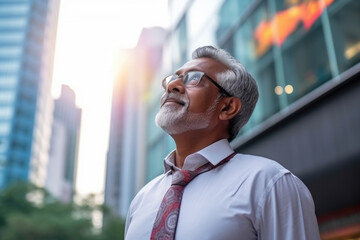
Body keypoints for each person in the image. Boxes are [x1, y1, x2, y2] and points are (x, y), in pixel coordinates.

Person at [125, 46, 320, 240]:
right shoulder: (141, 200)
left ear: (227, 107)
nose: (172, 86)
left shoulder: (269, 184)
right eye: (172, 78)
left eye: (194, 78)